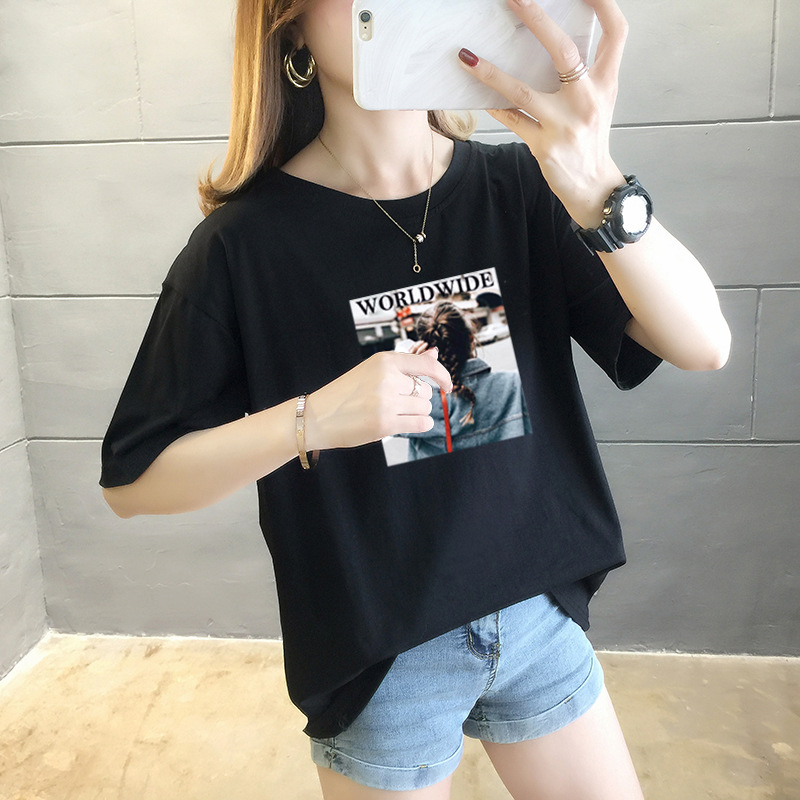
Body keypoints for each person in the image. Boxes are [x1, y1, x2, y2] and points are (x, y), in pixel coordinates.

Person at [100, 0, 731, 797]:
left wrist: (594, 178)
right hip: (385, 657)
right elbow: (133, 481)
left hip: (538, 619)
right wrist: (311, 421)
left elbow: (704, 345)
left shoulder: (524, 186)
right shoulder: (240, 247)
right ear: (289, 26)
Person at [400, 300, 532, 460]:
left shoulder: (414, 405)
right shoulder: (516, 385)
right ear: (471, 338)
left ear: (426, 351)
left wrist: (403, 371)